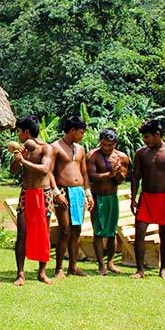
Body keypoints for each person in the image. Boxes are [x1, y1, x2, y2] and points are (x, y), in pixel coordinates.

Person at [130, 120, 165, 280]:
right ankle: (140, 270)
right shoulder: (141, 153)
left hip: (164, 198)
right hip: (146, 197)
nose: (144, 140)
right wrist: (133, 199)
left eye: (147, 137)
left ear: (157, 135)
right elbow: (135, 177)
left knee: (164, 234)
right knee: (139, 233)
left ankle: (163, 269)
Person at [10, 115, 54, 285]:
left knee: (45, 233)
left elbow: (44, 170)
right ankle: (20, 273)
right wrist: (18, 159)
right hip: (26, 193)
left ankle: (42, 272)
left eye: (19, 132)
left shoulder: (46, 148)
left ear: (26, 132)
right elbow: (13, 171)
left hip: (44, 194)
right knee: (22, 233)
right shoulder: (22, 149)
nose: (18, 135)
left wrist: (24, 161)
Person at [50, 115, 94, 278]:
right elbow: (49, 172)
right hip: (62, 191)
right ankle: (59, 267)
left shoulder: (80, 149)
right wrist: (56, 193)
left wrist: (88, 193)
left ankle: (73, 266)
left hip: (78, 192)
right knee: (65, 229)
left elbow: (84, 172)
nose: (83, 135)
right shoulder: (55, 147)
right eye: (81, 132)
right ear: (72, 130)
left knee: (76, 229)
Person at [86, 128, 129, 275]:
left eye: (110, 145)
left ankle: (110, 262)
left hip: (112, 197)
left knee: (112, 233)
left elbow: (121, 179)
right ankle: (100, 265)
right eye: (103, 144)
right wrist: (110, 173)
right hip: (97, 197)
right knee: (98, 232)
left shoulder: (122, 157)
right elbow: (91, 175)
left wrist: (118, 173)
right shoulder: (93, 155)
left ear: (115, 143)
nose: (106, 148)